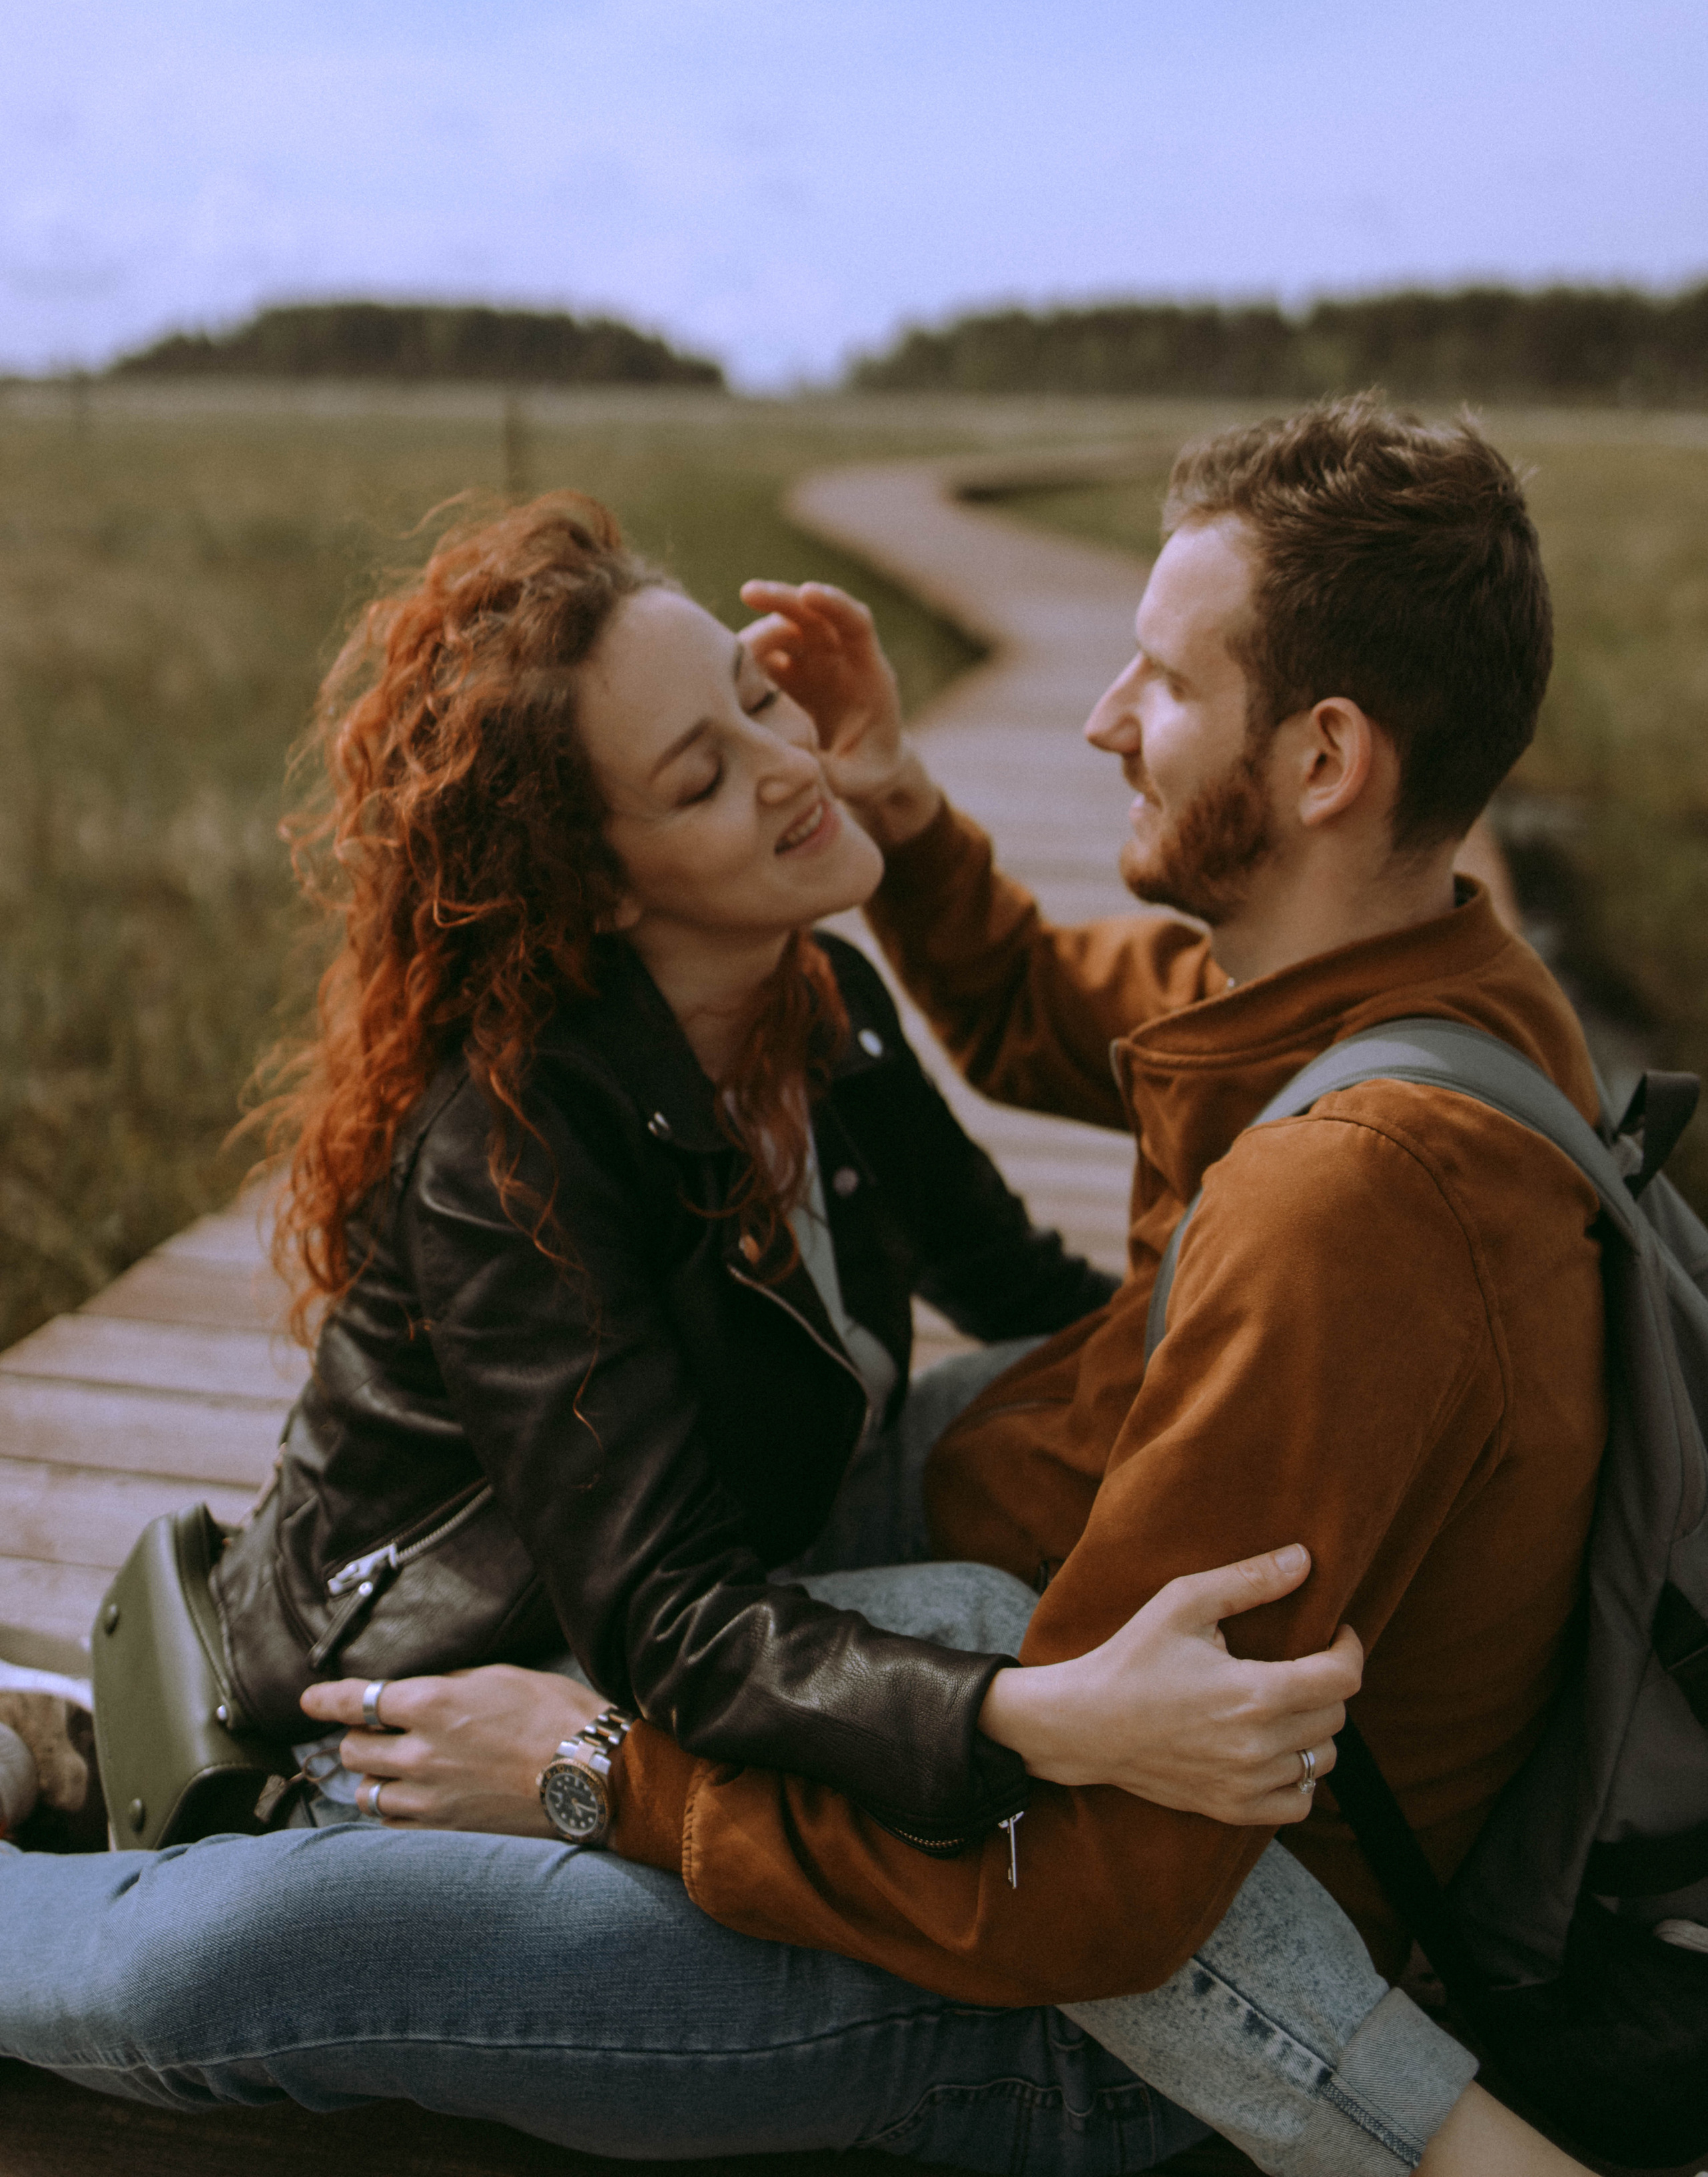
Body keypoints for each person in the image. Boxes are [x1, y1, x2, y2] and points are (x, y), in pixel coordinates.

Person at [0, 471, 1584, 2174]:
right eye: (705, 767)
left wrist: (1163, 1481)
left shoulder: (819, 1011)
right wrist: (1021, 1712)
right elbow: (658, 1613)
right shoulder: (513, 1144)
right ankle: (89, 1782)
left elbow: (1040, 1294)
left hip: (708, 1631)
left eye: (763, 700)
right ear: (598, 885)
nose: (791, 761)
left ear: (1326, 762)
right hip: (453, 1695)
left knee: (992, 1603)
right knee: (244, 1958)